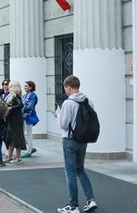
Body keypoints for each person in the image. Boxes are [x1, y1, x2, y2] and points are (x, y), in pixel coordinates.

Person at [55, 75, 97, 213]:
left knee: (70, 171)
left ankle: (73, 205)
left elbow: (63, 125)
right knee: (80, 169)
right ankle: (91, 200)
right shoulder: (88, 101)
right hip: (83, 140)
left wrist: (58, 114)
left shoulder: (68, 103)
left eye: (65, 88)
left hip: (69, 140)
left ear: (68, 87)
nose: (65, 91)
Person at [3, 81, 26, 164]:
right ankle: (11, 157)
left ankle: (18, 158)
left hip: (15, 120)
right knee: (12, 138)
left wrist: (11, 108)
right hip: (13, 119)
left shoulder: (15, 96)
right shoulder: (12, 96)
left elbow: (21, 105)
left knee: (16, 138)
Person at [22, 80, 38, 158]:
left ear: (30, 87)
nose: (24, 87)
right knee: (22, 134)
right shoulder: (24, 96)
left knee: (29, 134)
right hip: (23, 116)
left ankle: (29, 151)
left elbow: (30, 107)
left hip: (29, 116)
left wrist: (23, 107)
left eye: (26, 86)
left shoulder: (33, 96)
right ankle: (31, 147)